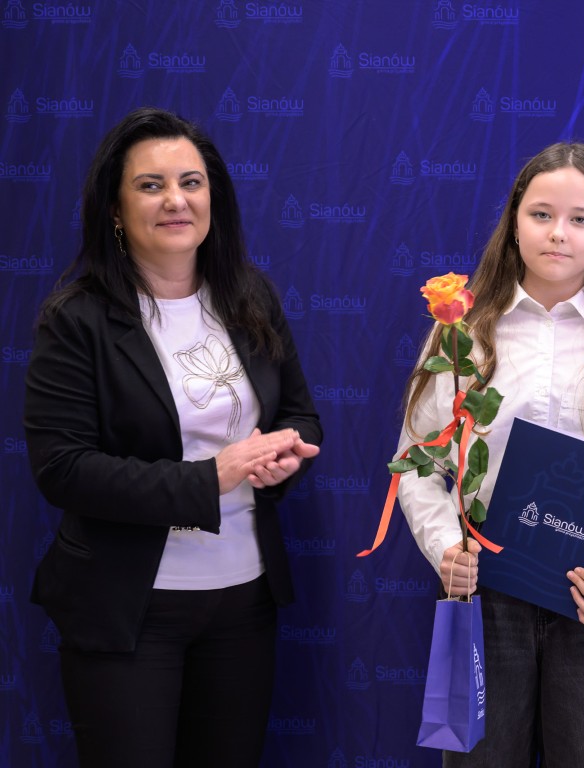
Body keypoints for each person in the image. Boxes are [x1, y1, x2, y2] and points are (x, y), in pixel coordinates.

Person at [23, 107, 323, 768]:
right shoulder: (77, 319)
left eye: (191, 182)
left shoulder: (250, 296)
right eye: (150, 185)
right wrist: (210, 477)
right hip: (127, 609)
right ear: (115, 208)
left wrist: (284, 456)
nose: (176, 200)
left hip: (244, 602)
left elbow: (301, 416)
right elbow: (63, 468)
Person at [396, 142, 584, 767]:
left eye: (580, 219)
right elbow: (419, 463)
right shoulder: (462, 332)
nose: (559, 233)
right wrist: (445, 549)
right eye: (541, 214)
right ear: (514, 223)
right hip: (485, 594)